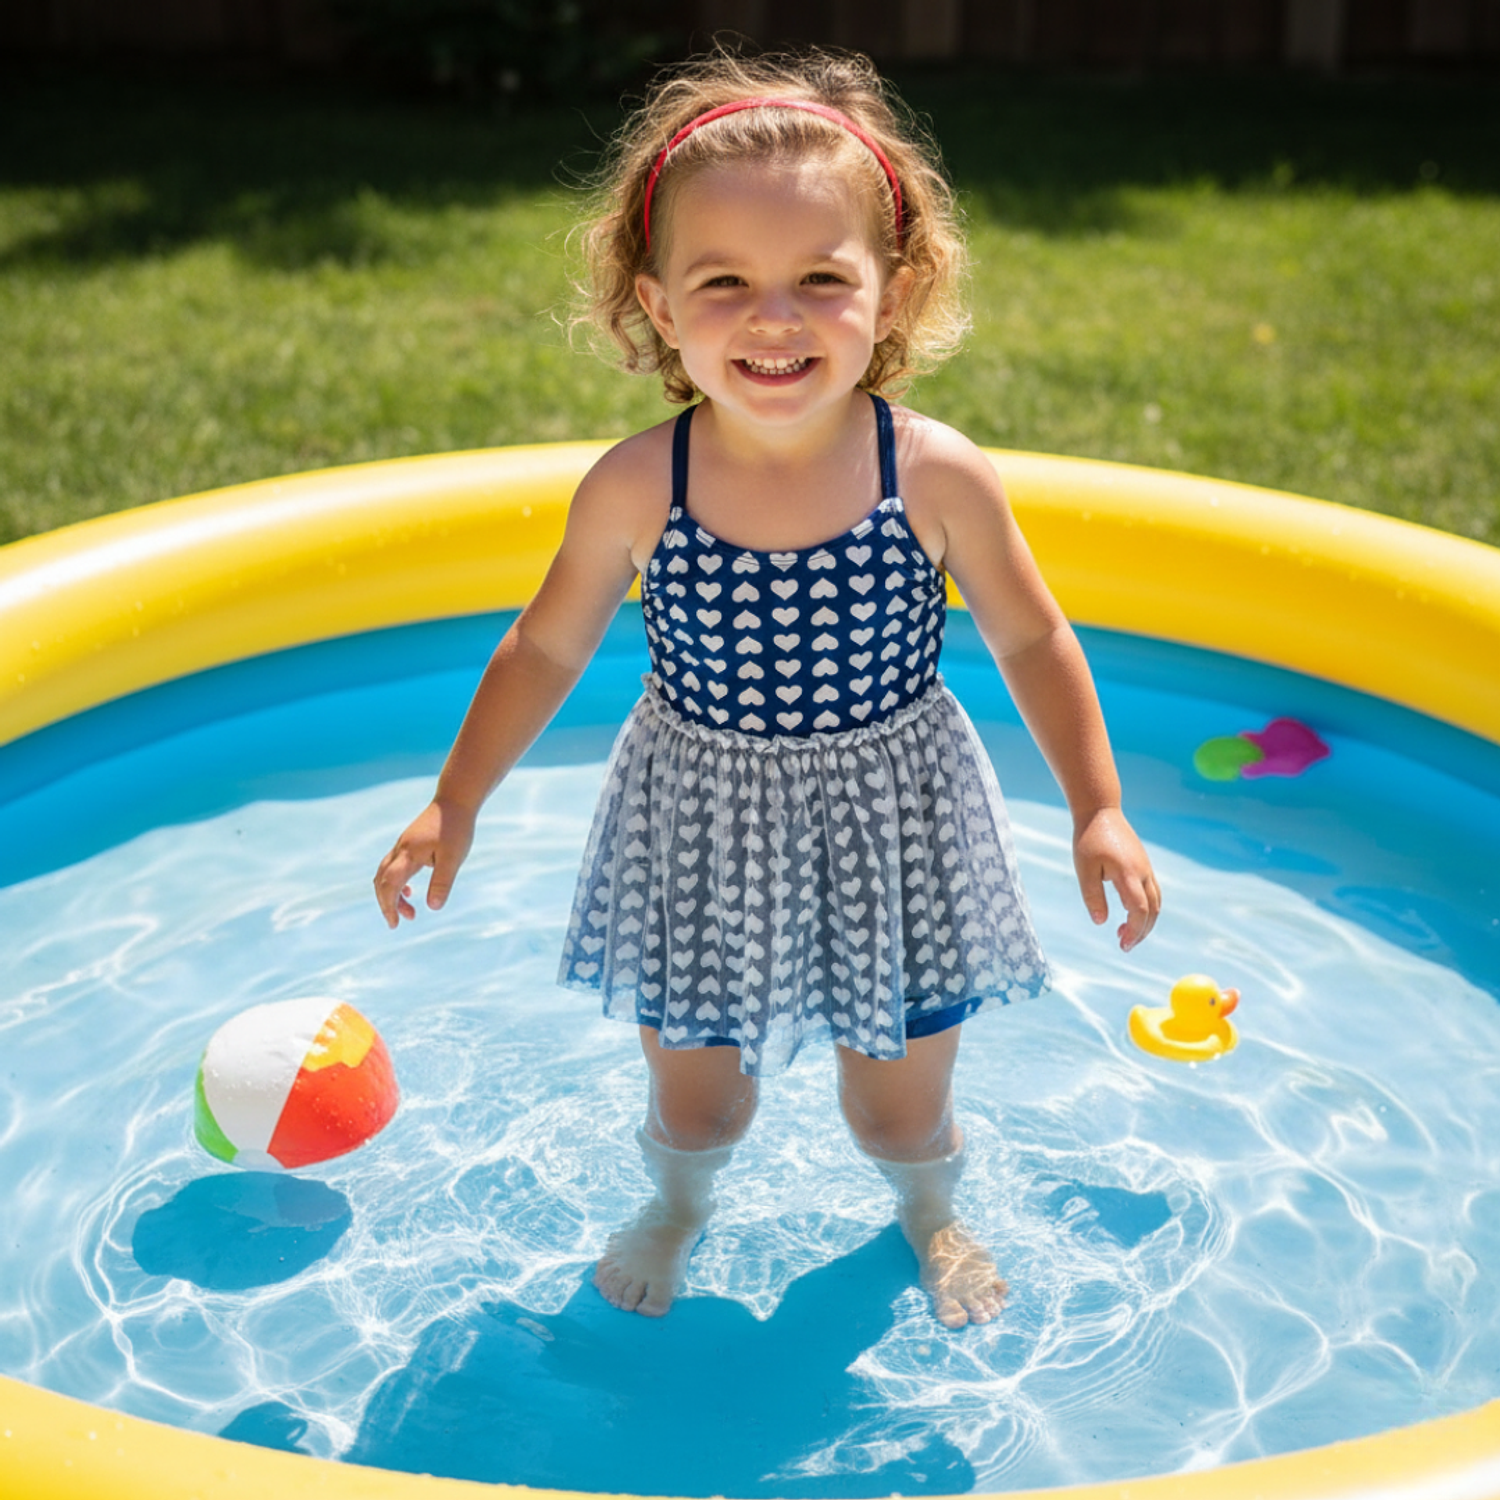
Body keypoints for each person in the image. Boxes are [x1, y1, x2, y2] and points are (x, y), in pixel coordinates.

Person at [374, 46, 1160, 1330]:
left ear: (891, 296)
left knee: (893, 1096)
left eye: (820, 280)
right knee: (699, 1093)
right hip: (701, 819)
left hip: (892, 815)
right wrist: (453, 804)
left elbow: (1033, 639)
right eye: (723, 282)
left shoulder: (934, 474)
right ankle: (680, 1202)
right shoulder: (640, 484)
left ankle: (927, 1206)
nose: (773, 317)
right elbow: (546, 646)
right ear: (657, 304)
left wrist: (1097, 806)